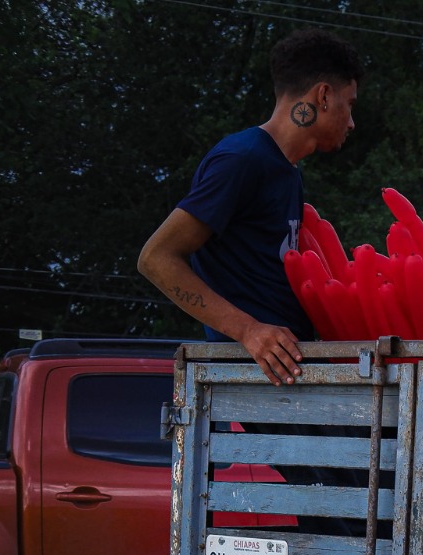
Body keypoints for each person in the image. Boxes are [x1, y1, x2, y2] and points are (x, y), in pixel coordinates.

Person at [139, 28, 363, 386]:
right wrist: (250, 332)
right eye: (349, 104)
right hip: (257, 381)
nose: (351, 122)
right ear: (323, 95)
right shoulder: (241, 160)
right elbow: (156, 258)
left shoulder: (287, 171)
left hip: (287, 375)